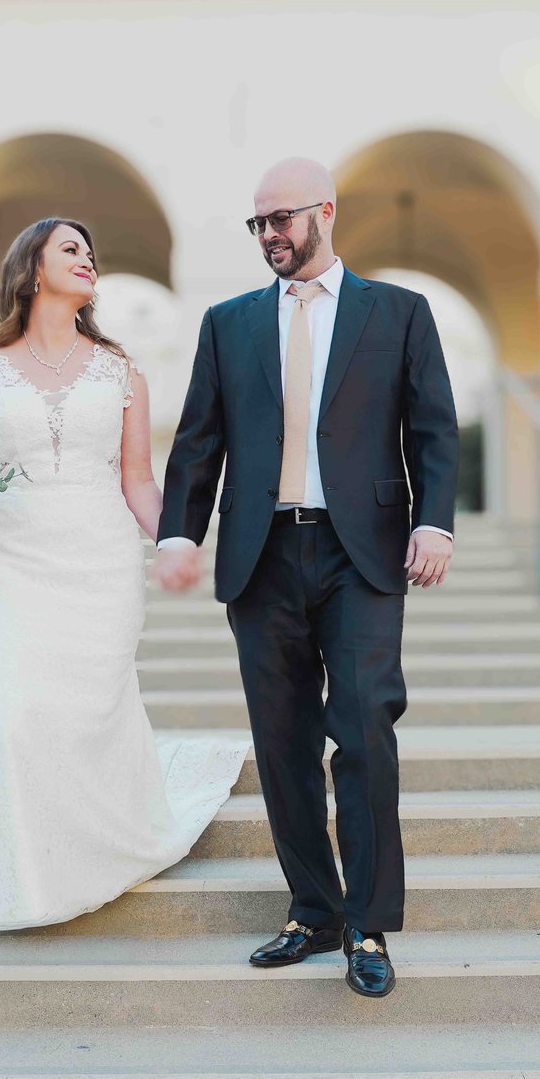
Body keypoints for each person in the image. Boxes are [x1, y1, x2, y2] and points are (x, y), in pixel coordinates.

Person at [155, 157, 459, 998]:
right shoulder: (228, 323)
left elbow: (434, 428)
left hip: (362, 553)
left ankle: (368, 924)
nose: (269, 236)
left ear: (325, 210)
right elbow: (198, 440)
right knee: (282, 743)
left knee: (363, 732)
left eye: (281, 218)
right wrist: (180, 532)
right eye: (257, 224)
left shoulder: (398, 313)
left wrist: (434, 521)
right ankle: (313, 910)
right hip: (260, 554)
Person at [0, 216, 245, 930]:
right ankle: (23, 869)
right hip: (15, 560)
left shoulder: (119, 370)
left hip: (101, 559)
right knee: (14, 713)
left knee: (86, 708)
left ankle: (94, 842)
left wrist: (176, 539)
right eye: (70, 249)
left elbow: (137, 478)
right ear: (32, 268)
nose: (88, 259)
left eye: (91, 252)